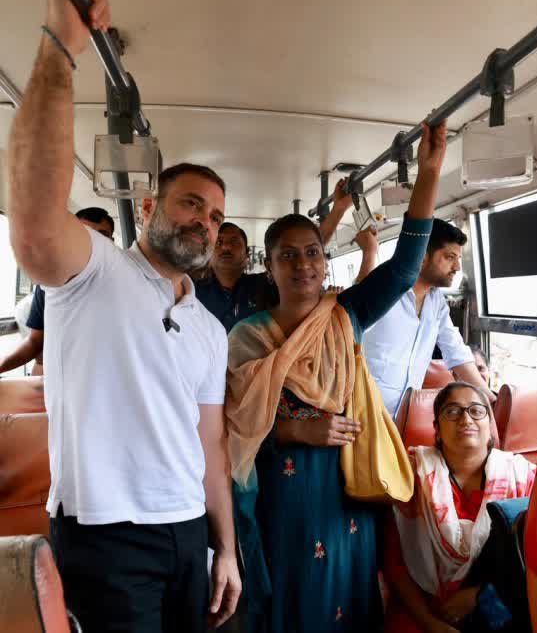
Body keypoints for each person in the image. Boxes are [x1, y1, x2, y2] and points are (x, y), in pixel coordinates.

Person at [8, 0, 239, 630]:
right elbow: (32, 228)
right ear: (147, 204)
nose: (206, 221)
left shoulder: (209, 328)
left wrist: (226, 546)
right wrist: (61, 44)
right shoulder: (94, 270)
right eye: (191, 203)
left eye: (218, 215)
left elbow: (211, 443)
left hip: (186, 529)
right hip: (105, 534)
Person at [224, 121, 447, 632]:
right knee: (290, 593)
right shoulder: (247, 338)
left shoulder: (345, 315)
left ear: (325, 263)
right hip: (281, 492)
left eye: (312, 253)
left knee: (345, 592)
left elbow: (406, 267)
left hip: (345, 487)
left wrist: (430, 172)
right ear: (270, 267)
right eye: (288, 255)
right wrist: (298, 429)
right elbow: (233, 428)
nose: (302, 264)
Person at [382, 382, 537, 633]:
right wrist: (431, 624)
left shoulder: (524, 478)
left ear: (490, 427)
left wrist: (479, 594)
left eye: (476, 411)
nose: (466, 418)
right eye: (452, 412)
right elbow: (395, 565)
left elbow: (536, 559)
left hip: (503, 598)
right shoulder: (411, 477)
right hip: (424, 607)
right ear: (437, 429)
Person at [363, 218, 493, 419]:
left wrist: (489, 398)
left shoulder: (437, 303)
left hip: (405, 417)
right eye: (450, 257)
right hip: (364, 413)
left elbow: (456, 352)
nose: (457, 266)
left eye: (458, 258)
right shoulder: (383, 290)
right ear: (422, 256)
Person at [195, 182, 361, 332]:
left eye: (234, 242)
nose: (226, 247)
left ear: (247, 254)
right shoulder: (193, 290)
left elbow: (305, 247)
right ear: (208, 251)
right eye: (219, 242)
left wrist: (338, 209)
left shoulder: (264, 285)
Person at [0, 207, 116, 375]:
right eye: (85, 234)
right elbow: (35, 343)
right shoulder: (50, 284)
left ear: (112, 242)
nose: (93, 243)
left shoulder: (121, 282)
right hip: (61, 379)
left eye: (102, 236)